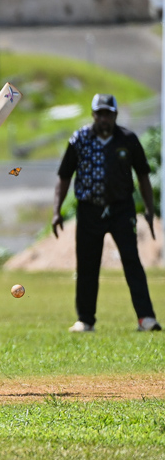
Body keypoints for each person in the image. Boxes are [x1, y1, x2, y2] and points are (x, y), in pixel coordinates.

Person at [52, 93, 161, 333]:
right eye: (100, 114)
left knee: (132, 261)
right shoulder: (79, 139)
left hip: (121, 209)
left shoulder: (128, 140)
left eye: (108, 114)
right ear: (93, 115)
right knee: (87, 265)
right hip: (89, 210)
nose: (104, 119)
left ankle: (146, 318)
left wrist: (149, 208)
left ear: (115, 115)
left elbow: (143, 174)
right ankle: (85, 320)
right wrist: (56, 210)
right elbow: (64, 175)